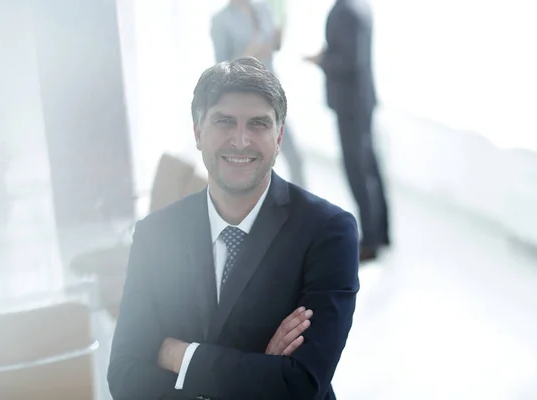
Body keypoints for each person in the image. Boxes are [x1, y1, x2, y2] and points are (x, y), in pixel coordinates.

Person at [108, 57, 360, 399]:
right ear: (198, 132)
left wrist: (179, 355)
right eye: (224, 122)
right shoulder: (156, 235)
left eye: (258, 124)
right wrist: (261, 370)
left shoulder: (328, 233)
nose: (240, 141)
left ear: (279, 136)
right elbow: (125, 377)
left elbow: (301, 383)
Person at [305, 0, 390, 261]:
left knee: (357, 171)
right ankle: (382, 233)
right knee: (371, 168)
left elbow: (346, 60)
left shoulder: (345, 10)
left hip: (351, 104)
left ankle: (371, 240)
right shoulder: (361, 6)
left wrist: (320, 59)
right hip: (363, 100)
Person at [210, 0, 306, 188]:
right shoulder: (221, 20)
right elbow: (220, 68)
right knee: (254, 160)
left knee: (294, 154)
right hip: (243, 100)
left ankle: (303, 207)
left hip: (271, 94)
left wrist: (279, 36)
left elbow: (273, 46)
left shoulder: (262, 8)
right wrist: (249, 54)